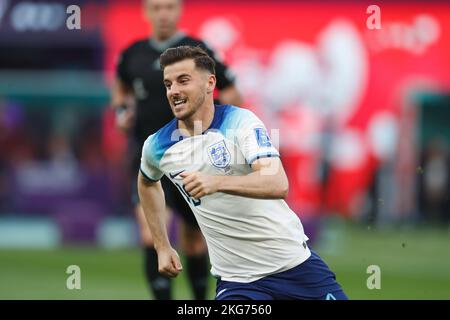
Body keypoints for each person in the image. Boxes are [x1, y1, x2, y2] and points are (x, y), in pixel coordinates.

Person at [137, 45, 348, 300]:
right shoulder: (157, 146)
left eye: (184, 81)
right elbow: (147, 183)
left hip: (295, 268)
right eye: (168, 84)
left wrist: (216, 183)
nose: (174, 91)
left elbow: (277, 182)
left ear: (209, 83)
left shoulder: (241, 123)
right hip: (238, 283)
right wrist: (162, 246)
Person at [111, 0, 242, 300]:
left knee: (195, 240)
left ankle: (200, 302)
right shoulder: (133, 54)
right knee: (152, 234)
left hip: (194, 157)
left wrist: (222, 130)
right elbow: (120, 86)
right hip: (150, 156)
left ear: (179, 10)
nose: (163, 14)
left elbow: (232, 89)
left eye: (169, 7)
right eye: (156, 8)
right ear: (146, 12)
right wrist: (121, 110)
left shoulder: (199, 50)